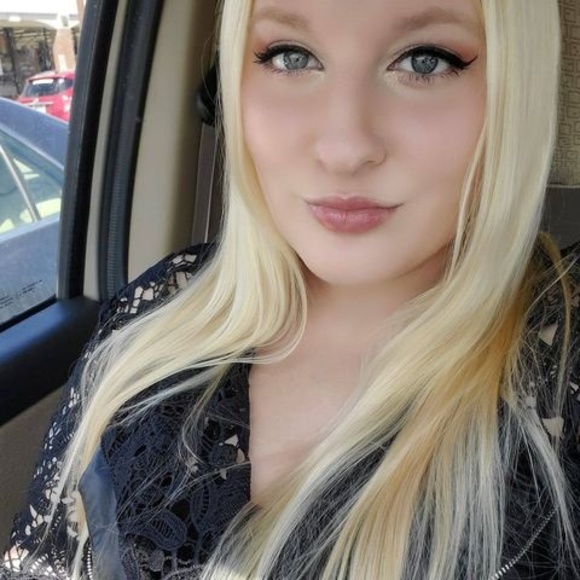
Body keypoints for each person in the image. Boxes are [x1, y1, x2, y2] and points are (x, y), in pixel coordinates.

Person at [2, 0, 580, 578]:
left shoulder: (562, 379)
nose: (343, 149)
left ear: (514, 87)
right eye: (291, 56)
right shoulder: (154, 318)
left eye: (425, 61)